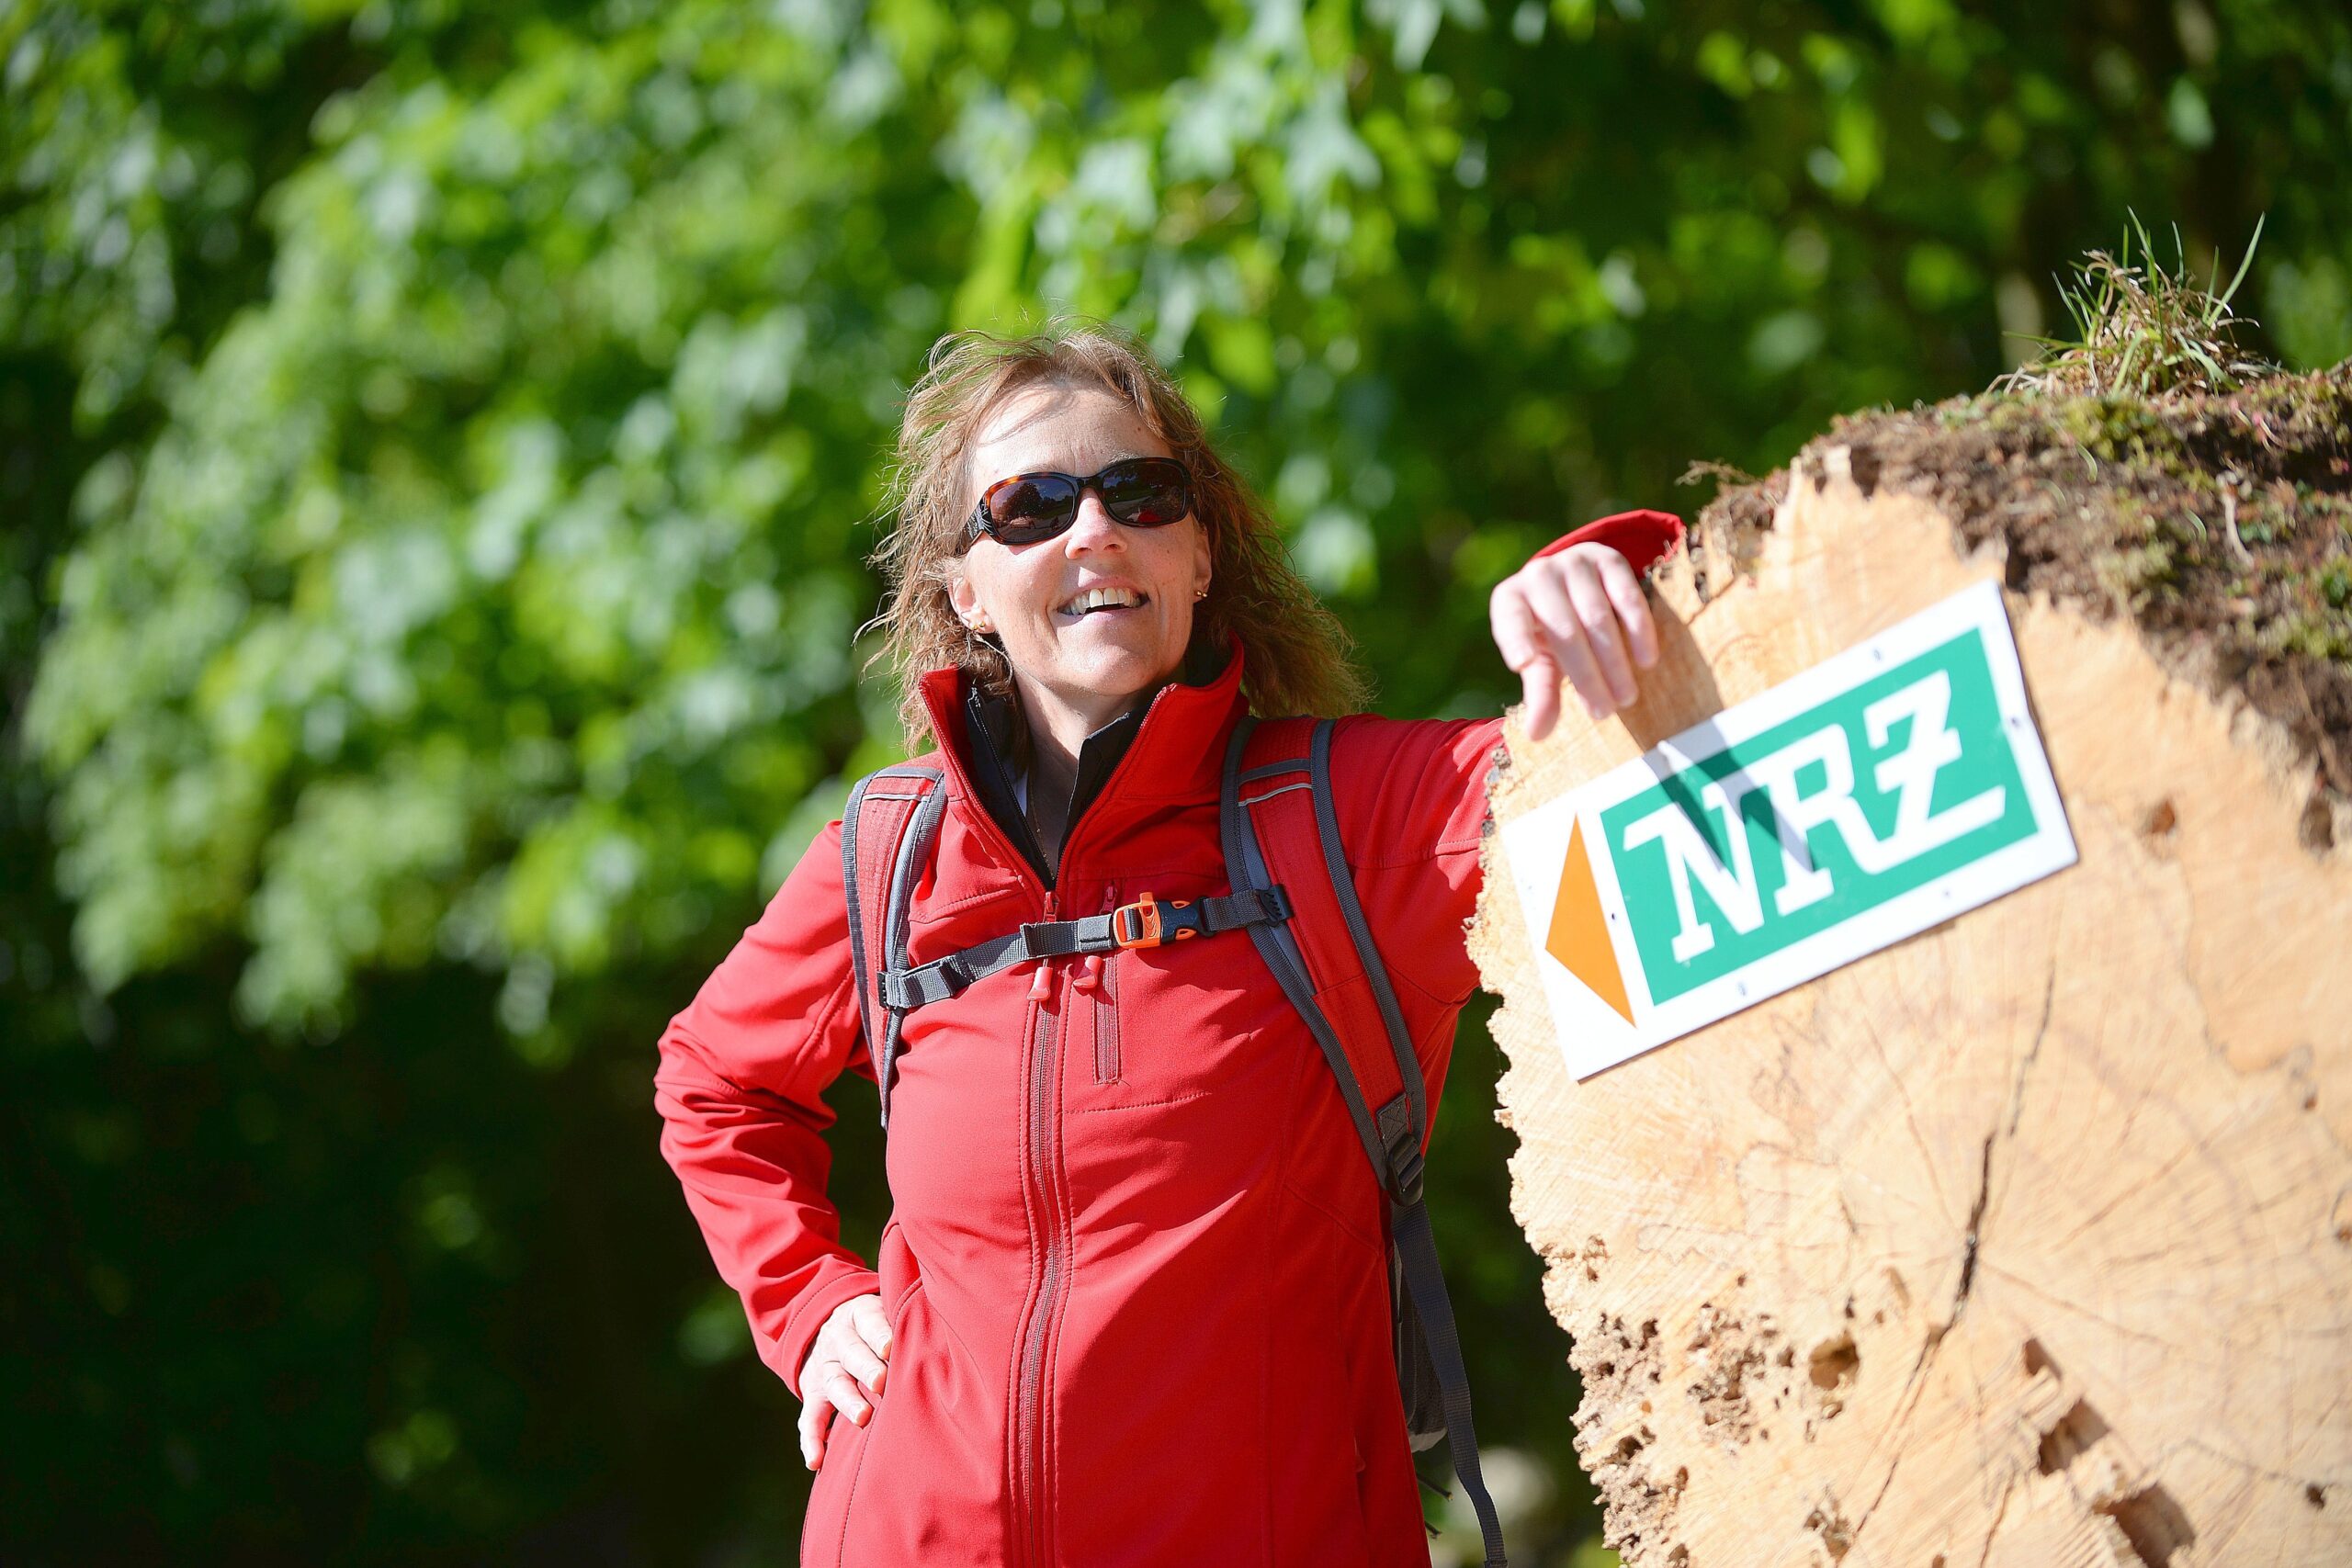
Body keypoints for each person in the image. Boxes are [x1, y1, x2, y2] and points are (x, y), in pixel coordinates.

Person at [653, 323, 1681, 1567]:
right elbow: (713, 1081)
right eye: (1028, 507)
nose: (1092, 530)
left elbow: (1603, 778)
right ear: (964, 589)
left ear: (1200, 556)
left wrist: (1609, 576)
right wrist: (809, 1305)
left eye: (1138, 493)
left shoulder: (1338, 821)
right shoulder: (890, 853)